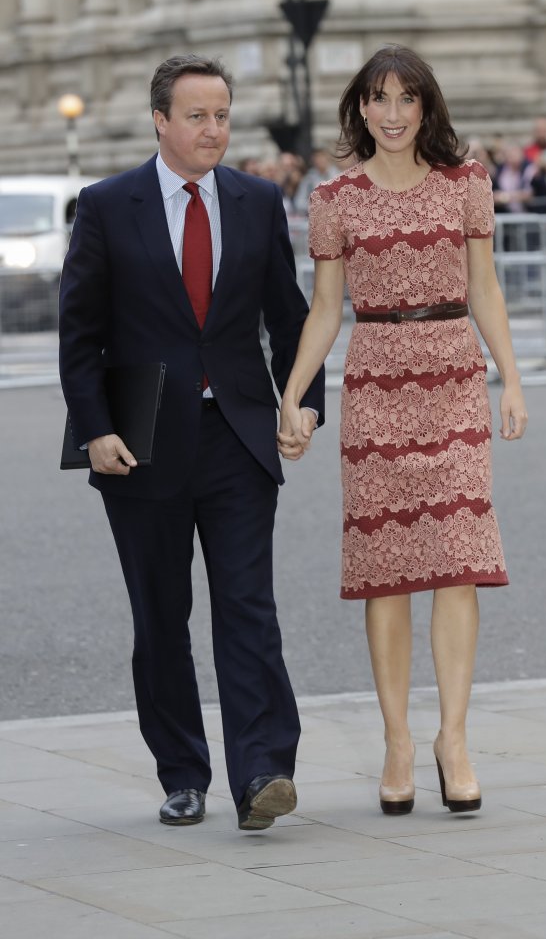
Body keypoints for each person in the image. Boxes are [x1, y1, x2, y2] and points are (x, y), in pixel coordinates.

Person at [59, 54, 324, 831]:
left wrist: (302, 402)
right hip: (139, 443)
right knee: (160, 616)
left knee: (248, 607)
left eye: (223, 115)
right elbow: (80, 335)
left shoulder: (255, 200)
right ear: (161, 121)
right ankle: (182, 772)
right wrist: (96, 428)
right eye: (198, 116)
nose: (215, 130)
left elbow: (289, 314)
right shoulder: (108, 205)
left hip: (238, 436)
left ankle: (263, 771)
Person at [277, 45, 527, 817]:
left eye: (405, 99)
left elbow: (484, 286)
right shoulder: (335, 196)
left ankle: (454, 739)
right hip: (378, 381)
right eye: (377, 98)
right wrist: (292, 395)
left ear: (426, 108)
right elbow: (325, 308)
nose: (390, 113)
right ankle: (396, 742)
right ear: (359, 107)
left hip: (453, 379)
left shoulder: (467, 184)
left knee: (458, 559)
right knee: (386, 571)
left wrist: (510, 378)